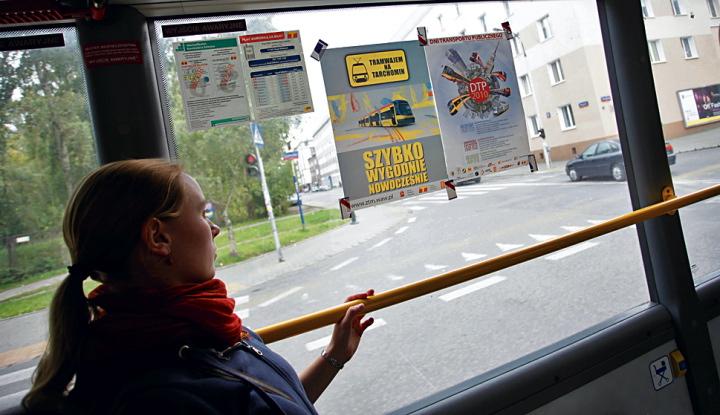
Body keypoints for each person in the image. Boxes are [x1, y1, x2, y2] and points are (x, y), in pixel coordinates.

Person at [22, 159, 374, 414]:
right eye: (203, 214)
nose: (214, 229)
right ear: (158, 237)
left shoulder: (200, 325)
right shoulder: (157, 398)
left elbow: (270, 405)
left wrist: (334, 356)